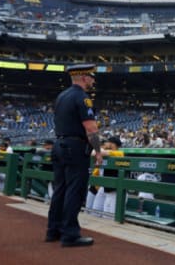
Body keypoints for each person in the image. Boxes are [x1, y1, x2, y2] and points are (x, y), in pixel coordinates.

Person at [46, 64, 102, 247]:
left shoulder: (62, 96)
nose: (93, 80)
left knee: (59, 189)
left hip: (59, 145)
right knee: (74, 190)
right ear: (84, 78)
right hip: (75, 148)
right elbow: (91, 128)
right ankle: (70, 234)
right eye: (92, 77)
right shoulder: (82, 97)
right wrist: (99, 151)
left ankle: (53, 230)